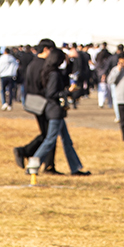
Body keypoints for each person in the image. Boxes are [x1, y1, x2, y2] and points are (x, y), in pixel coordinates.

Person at [24, 47, 90, 176]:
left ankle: (75, 168)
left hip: (55, 111)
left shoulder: (51, 71)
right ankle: (32, 165)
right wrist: (68, 92)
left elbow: (65, 75)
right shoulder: (53, 74)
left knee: (67, 141)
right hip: (54, 111)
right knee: (50, 140)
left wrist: (72, 61)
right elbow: (52, 93)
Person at [14, 39, 59, 174]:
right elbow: (46, 86)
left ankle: (48, 164)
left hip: (33, 102)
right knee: (49, 135)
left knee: (47, 134)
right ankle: (26, 152)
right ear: (46, 49)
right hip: (44, 102)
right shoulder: (45, 65)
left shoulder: (32, 64)